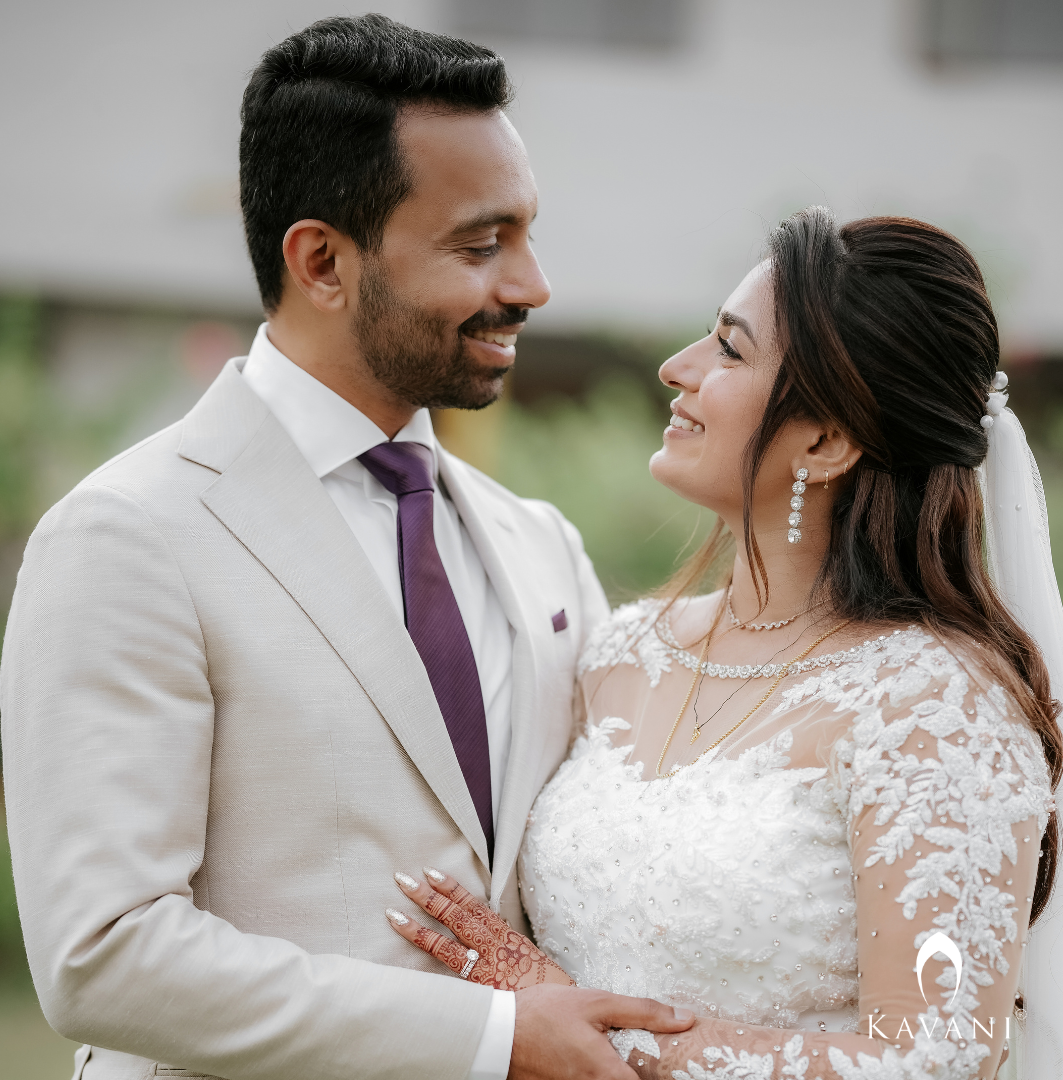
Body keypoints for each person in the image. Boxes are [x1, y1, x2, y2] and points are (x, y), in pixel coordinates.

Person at [0, 15, 695, 1080]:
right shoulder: (127, 537)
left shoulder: (539, 545)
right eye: (480, 243)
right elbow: (104, 956)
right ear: (321, 260)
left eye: (527, 234)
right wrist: (492, 1041)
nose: (531, 285)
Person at [386, 208, 1063, 1079]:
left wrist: (592, 1037)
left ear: (825, 440)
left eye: (730, 349)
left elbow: (936, 1060)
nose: (677, 369)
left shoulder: (936, 709)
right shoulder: (620, 656)